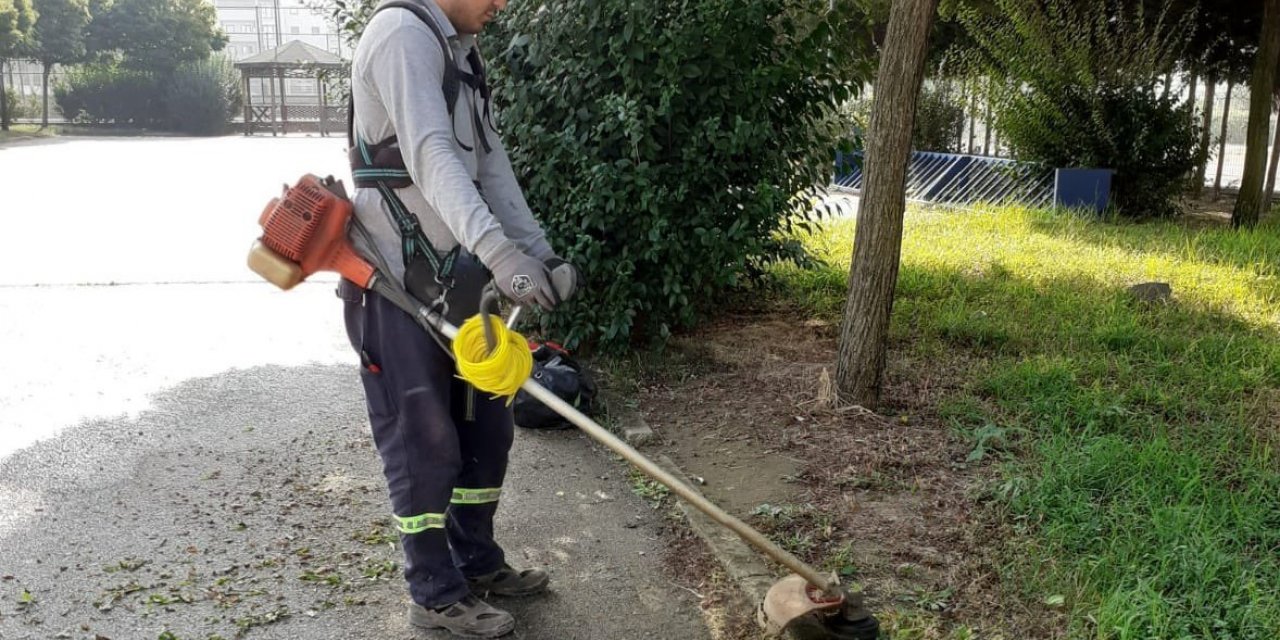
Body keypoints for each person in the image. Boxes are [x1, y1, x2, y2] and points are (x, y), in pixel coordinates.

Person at [337, 0, 579, 636]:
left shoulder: (459, 51)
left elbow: (490, 165)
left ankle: (475, 562)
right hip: (395, 289)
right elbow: (429, 153)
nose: (502, 4)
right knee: (425, 445)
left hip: (462, 289)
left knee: (486, 434)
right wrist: (499, 250)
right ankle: (435, 592)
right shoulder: (400, 36)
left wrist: (538, 250)